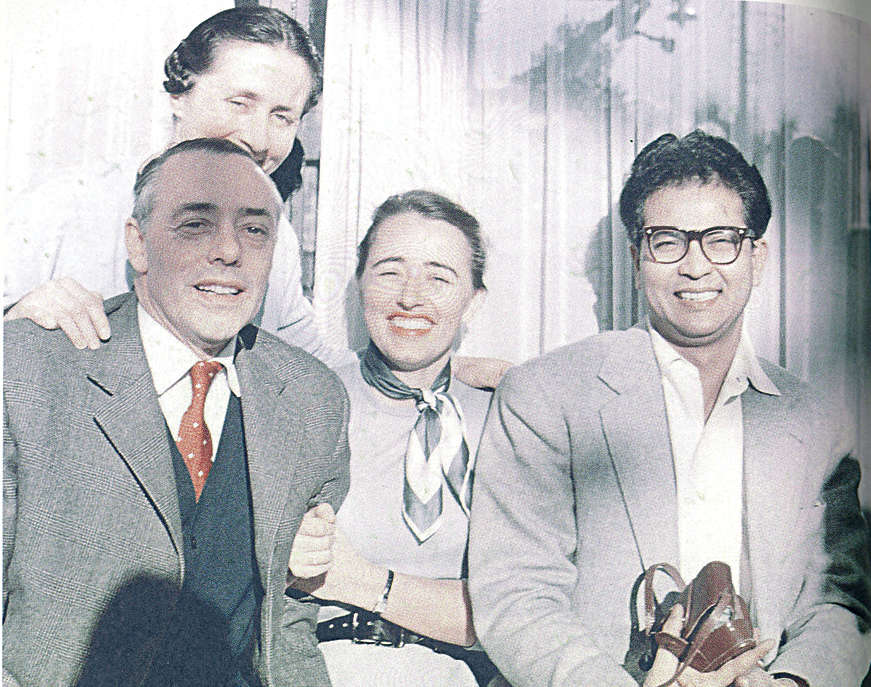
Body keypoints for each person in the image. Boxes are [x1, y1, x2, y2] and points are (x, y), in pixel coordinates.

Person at [467, 131, 871, 687]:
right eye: (667, 242)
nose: (695, 267)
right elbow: (517, 594)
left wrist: (794, 684)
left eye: (722, 240)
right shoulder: (545, 395)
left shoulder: (815, 419)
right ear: (637, 258)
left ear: (756, 258)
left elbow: (842, 601)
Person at [3, 6, 509, 387]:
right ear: (179, 94)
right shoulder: (63, 206)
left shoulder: (273, 236)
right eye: (240, 102)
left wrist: (443, 371)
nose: (258, 138)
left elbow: (309, 362)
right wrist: (17, 315)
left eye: (282, 117)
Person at [3, 138, 350, 686]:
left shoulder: (312, 400)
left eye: (254, 229)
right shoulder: (29, 371)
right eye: (195, 225)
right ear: (138, 244)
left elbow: (288, 630)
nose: (229, 251)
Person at [287, 190, 500, 686]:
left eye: (439, 278)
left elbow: (513, 609)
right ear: (360, 284)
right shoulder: (306, 400)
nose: (411, 297)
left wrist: (361, 582)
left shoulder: (506, 419)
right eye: (389, 272)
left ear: (473, 302)